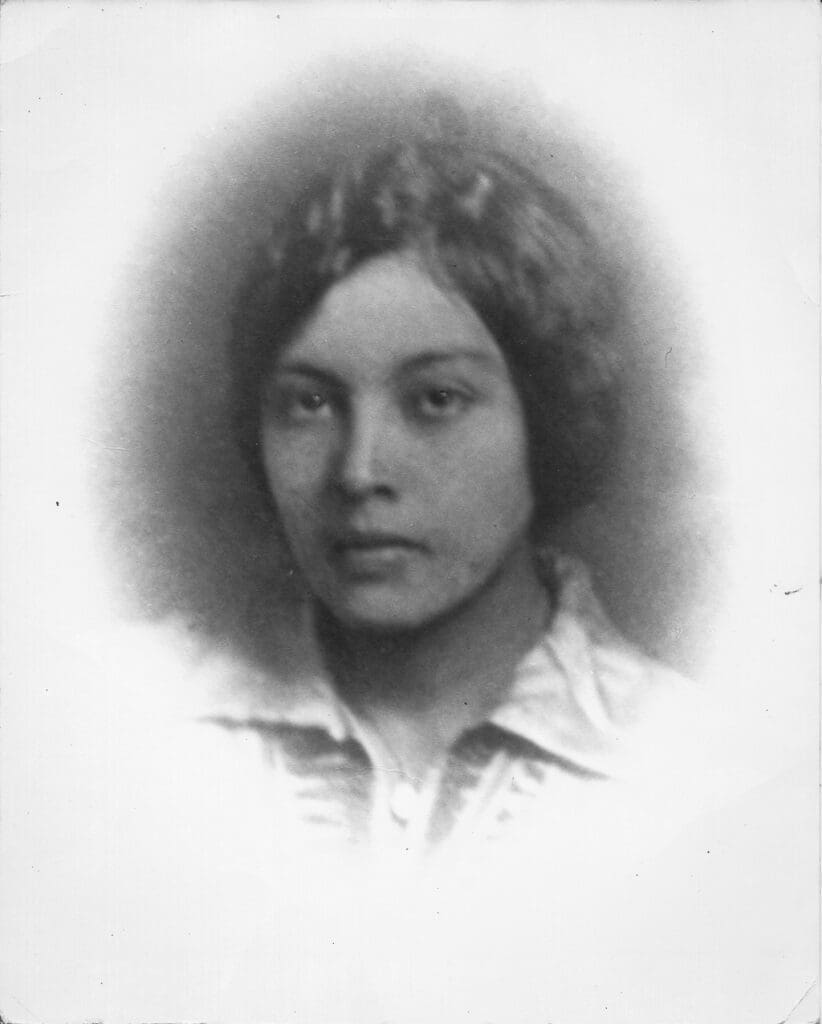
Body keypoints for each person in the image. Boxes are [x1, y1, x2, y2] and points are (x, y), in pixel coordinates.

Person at [194, 127, 699, 857]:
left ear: (547, 418)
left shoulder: (696, 763)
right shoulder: (132, 716)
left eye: (436, 400)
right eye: (310, 403)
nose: (359, 472)